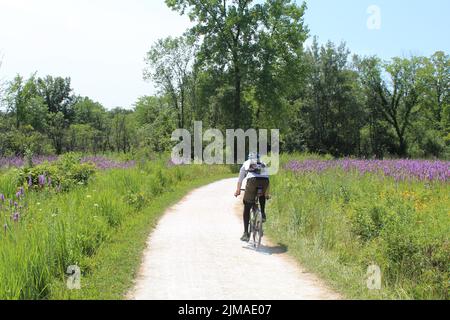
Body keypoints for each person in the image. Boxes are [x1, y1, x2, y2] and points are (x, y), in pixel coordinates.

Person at [234, 152, 270, 242]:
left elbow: (240, 179)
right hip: (265, 181)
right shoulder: (263, 163)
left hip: (253, 181)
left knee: (247, 205)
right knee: (261, 195)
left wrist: (238, 190)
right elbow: (267, 178)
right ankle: (263, 213)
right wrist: (266, 194)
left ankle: (246, 233)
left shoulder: (246, 163)